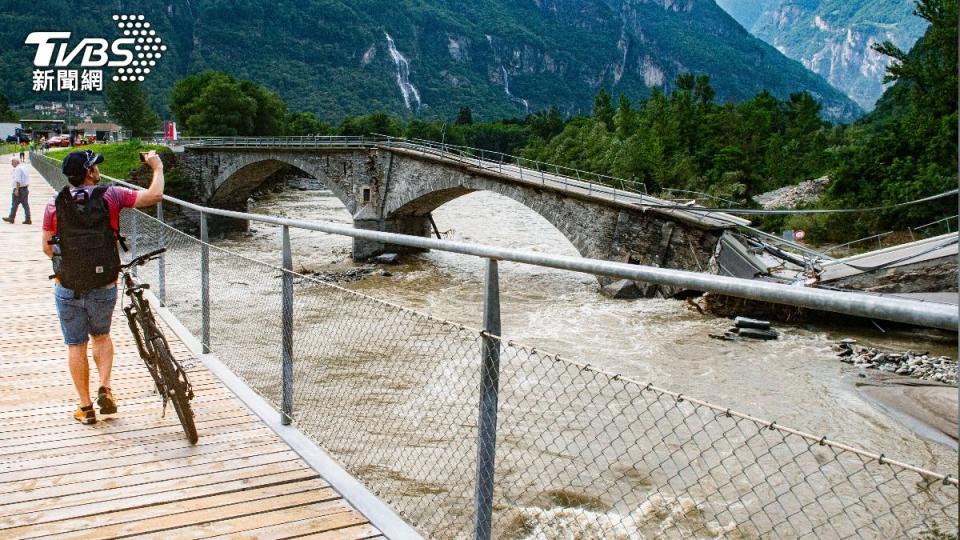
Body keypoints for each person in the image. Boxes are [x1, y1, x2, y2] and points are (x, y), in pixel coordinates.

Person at [42, 149, 164, 424]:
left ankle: (85, 409)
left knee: (75, 345)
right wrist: (156, 167)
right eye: (95, 166)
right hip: (104, 282)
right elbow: (154, 196)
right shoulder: (112, 195)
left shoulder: (54, 204)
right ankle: (106, 387)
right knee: (101, 336)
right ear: (89, 173)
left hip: (69, 285)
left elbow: (47, 249)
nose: (98, 170)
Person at [2, 157, 30, 224]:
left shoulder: (18, 169)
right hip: (25, 188)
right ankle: (28, 219)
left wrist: (17, 190)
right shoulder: (24, 167)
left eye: (12, 162)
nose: (11, 164)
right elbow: (26, 179)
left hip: (19, 189)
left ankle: (11, 218)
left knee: (14, 204)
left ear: (16, 162)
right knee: (25, 205)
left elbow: (18, 180)